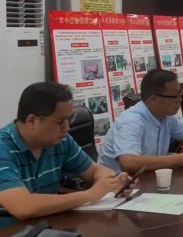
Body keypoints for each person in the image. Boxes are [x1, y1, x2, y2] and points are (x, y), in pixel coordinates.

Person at [0, 82, 128, 220]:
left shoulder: (60, 141)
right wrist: (89, 195)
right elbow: (22, 206)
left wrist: (112, 182)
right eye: (61, 121)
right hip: (13, 232)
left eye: (69, 119)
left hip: (49, 226)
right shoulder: (3, 147)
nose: (67, 128)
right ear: (32, 120)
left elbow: (95, 171)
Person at [98, 69, 183, 173]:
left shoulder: (167, 117)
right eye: (174, 96)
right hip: (117, 186)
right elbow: (129, 162)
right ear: (153, 98)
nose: (179, 100)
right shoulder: (131, 121)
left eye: (180, 94)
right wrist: (179, 159)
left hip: (147, 178)